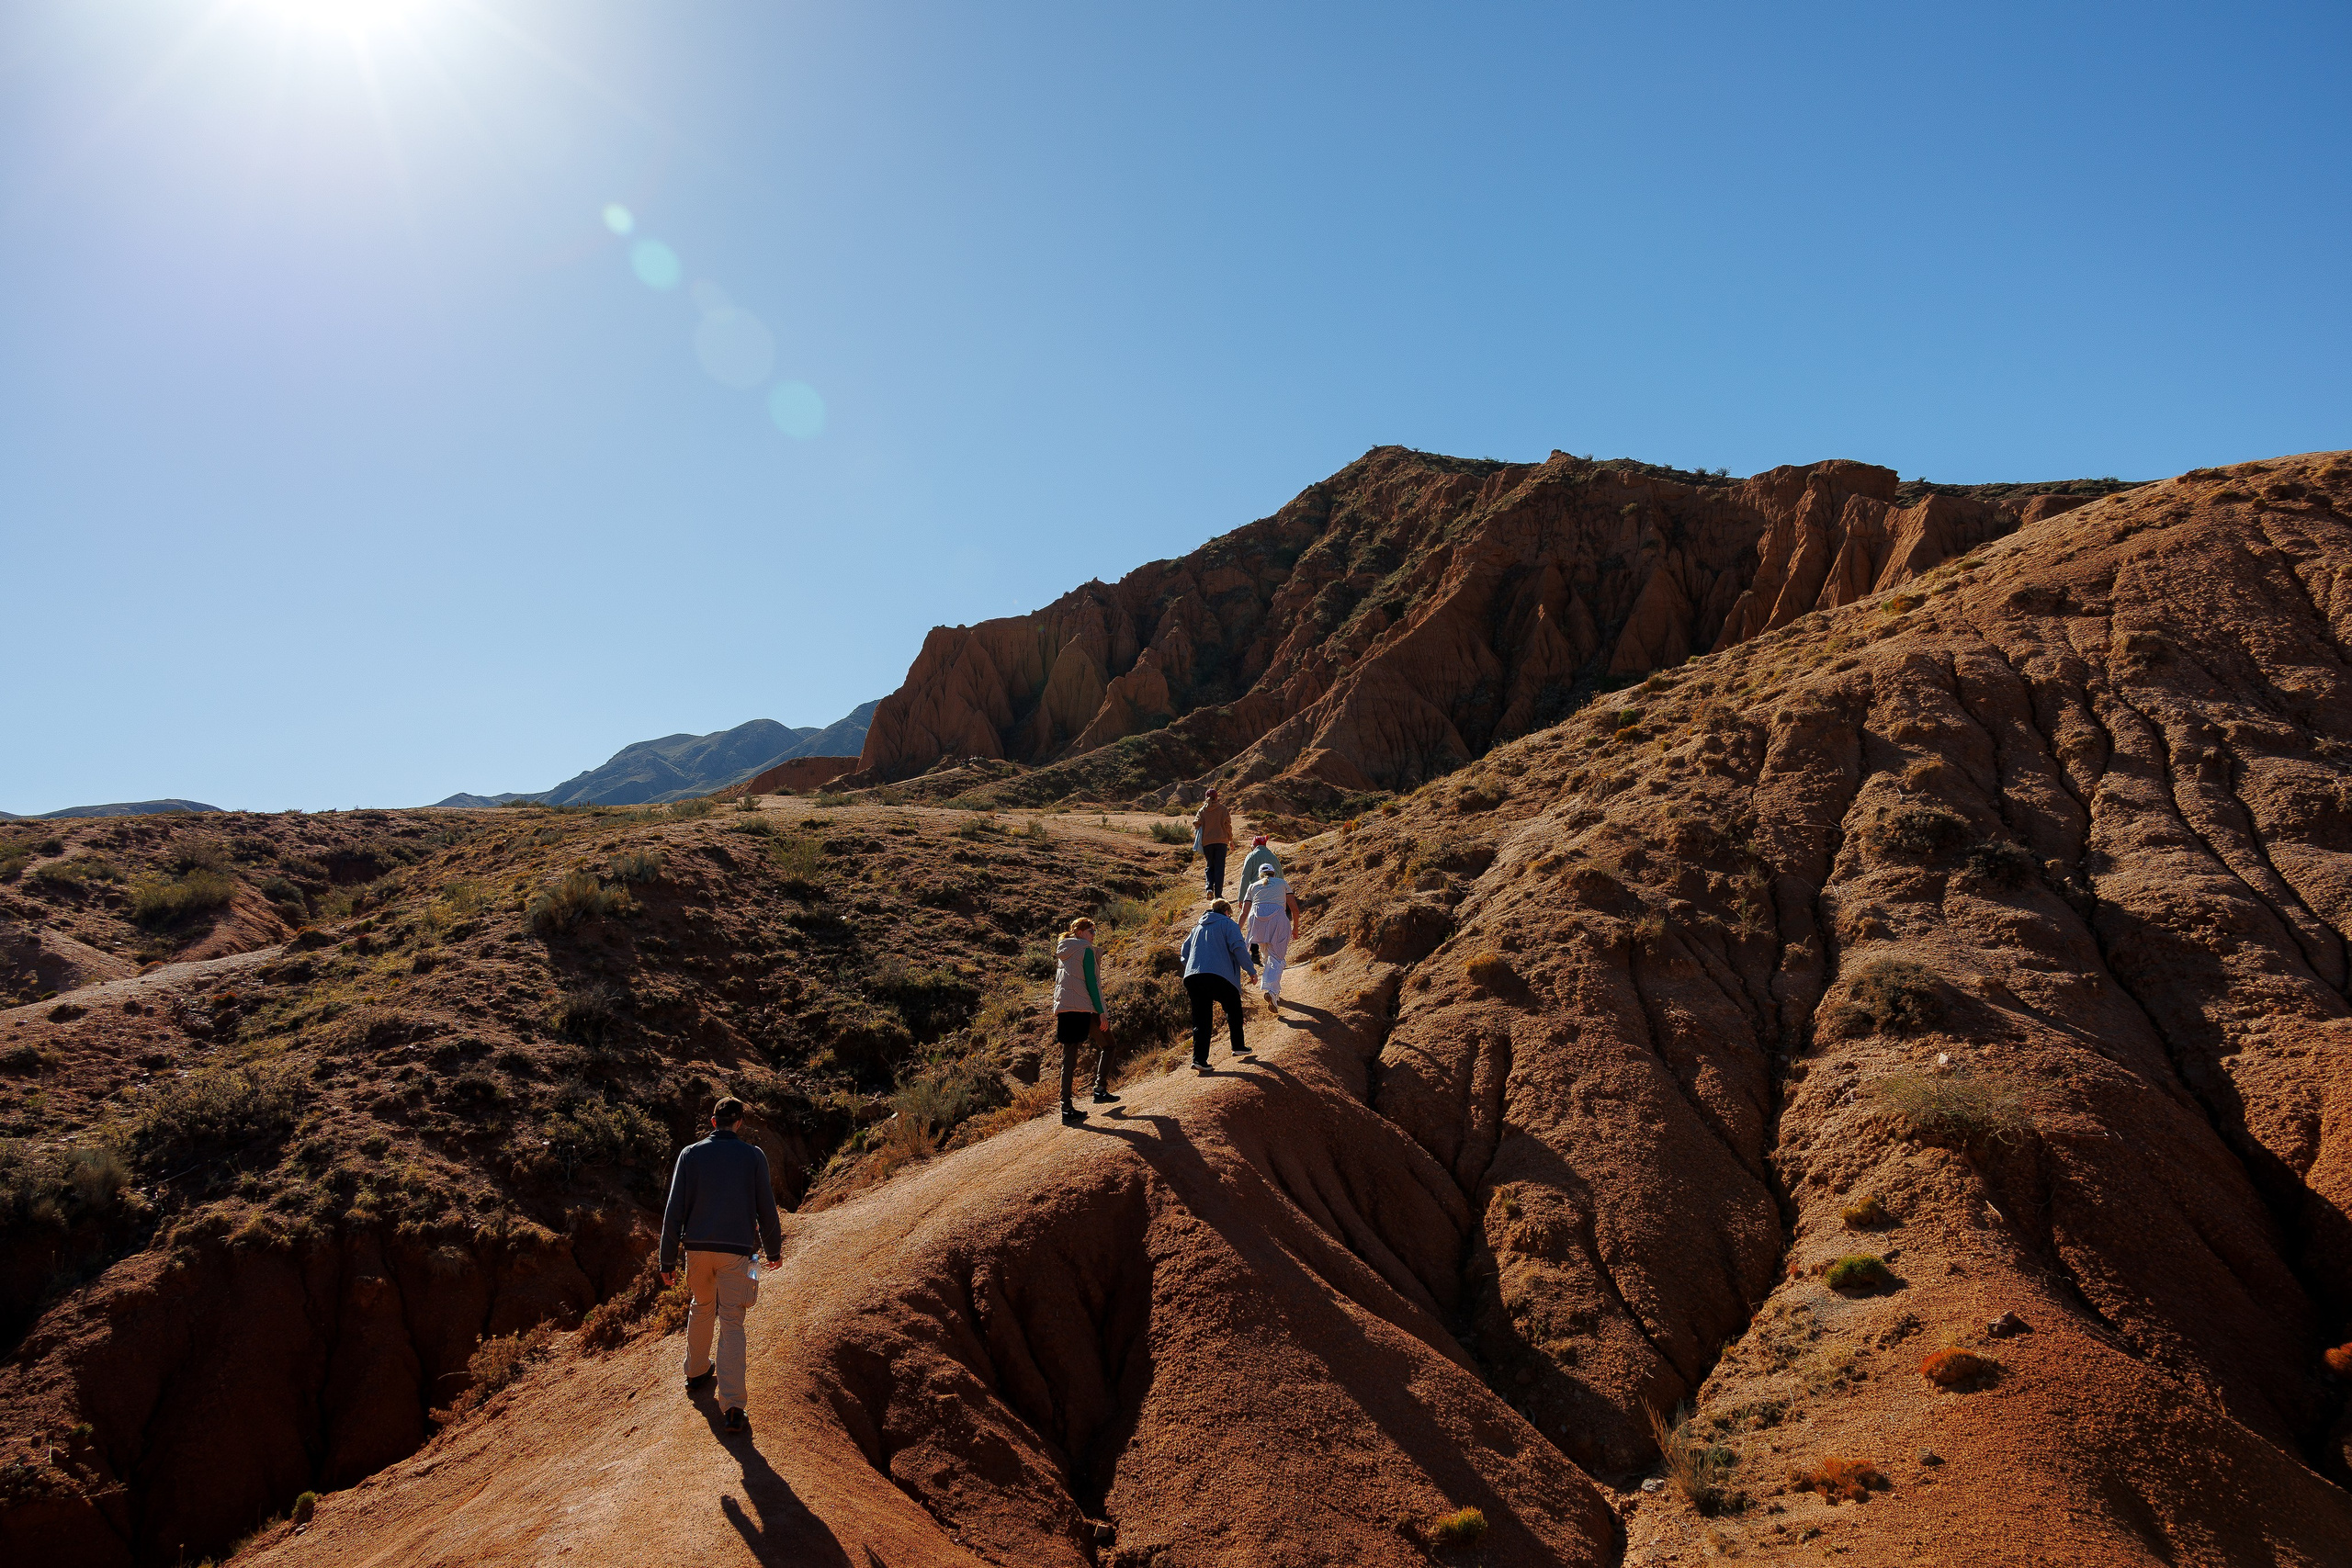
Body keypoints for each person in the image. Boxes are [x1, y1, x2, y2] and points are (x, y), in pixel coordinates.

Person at [659, 1097, 784, 1436]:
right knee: (732, 1320)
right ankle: (732, 1407)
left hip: (696, 1251)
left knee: (701, 1305)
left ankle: (697, 1371)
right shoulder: (754, 1157)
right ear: (740, 1122)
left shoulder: (690, 1154)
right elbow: (766, 1208)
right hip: (735, 1252)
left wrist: (666, 1258)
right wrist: (773, 1250)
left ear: (714, 1122)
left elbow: (674, 1210)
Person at [1050, 917, 1117, 1125]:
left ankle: (1066, 1108)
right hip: (1086, 1009)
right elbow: (1092, 983)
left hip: (1065, 1009)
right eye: (1090, 930)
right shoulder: (1085, 950)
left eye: (1094, 930)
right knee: (1109, 1045)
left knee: (1068, 1059)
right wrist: (1102, 1012)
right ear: (1079, 932)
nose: (1094, 934)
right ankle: (1100, 1089)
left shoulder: (1064, 951)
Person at [1180, 899, 1257, 1071]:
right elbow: (1238, 947)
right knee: (1233, 1005)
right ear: (1226, 912)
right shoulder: (1228, 924)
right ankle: (1238, 1046)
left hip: (1193, 977)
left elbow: (1184, 952)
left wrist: (1193, 965)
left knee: (1201, 1019)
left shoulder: (1196, 928)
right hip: (1219, 975)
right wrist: (1251, 970)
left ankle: (1199, 1059)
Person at [1241, 863, 1301, 1010]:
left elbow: (1244, 913)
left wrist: (1237, 932)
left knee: (1267, 955)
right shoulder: (1282, 883)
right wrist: (1295, 929)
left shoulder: (1253, 886)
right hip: (1277, 920)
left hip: (1256, 921)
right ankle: (1271, 992)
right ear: (1274, 873)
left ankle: (1275, 992)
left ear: (1260, 875)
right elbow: (1295, 909)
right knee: (1277, 957)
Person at [1236, 835, 1281, 961]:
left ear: (1254, 845)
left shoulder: (1251, 856)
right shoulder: (1273, 857)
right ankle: (1272, 952)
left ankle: (1254, 953)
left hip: (1255, 894)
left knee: (1254, 922)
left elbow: (1245, 877)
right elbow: (1281, 876)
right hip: (1273, 895)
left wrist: (1241, 898)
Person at [1193, 787, 1233, 898]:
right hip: (1221, 842)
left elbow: (1196, 823)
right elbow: (1228, 826)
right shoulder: (1223, 809)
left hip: (1207, 843)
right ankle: (1218, 895)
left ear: (1206, 797)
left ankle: (1209, 887)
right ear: (1217, 797)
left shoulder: (1202, 810)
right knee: (1220, 868)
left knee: (1210, 865)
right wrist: (1231, 840)